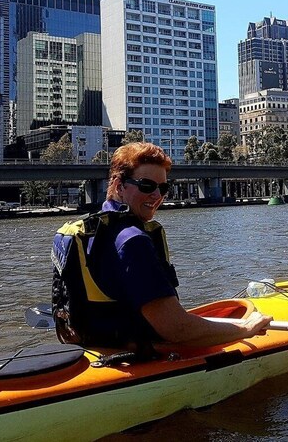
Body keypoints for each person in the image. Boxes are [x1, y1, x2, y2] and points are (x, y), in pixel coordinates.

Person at [52, 142, 272, 349]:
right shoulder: (132, 240)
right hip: (138, 355)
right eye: (147, 185)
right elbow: (177, 329)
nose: (157, 196)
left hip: (96, 346)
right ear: (119, 186)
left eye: (163, 187)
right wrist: (245, 328)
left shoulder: (93, 230)